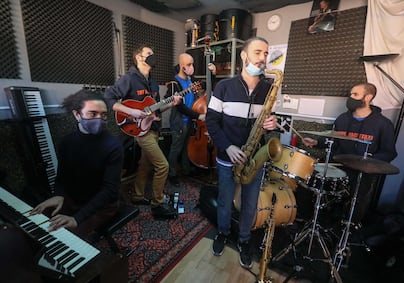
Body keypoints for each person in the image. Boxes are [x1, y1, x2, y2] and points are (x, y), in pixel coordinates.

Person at [206, 37, 279, 269]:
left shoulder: (269, 89)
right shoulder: (224, 87)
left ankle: (244, 240)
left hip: (254, 158)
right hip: (228, 157)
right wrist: (227, 146)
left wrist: (272, 124)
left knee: (250, 204)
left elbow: (270, 122)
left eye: (266, 53)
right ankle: (223, 233)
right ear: (244, 55)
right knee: (225, 201)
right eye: (258, 52)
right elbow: (211, 121)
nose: (263, 58)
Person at [30, 89, 124, 238]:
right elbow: (62, 175)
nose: (99, 119)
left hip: (103, 205)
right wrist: (59, 195)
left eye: (103, 115)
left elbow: (110, 190)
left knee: (63, 237)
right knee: (37, 223)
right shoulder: (67, 142)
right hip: (73, 198)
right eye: (92, 114)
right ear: (77, 115)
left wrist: (77, 218)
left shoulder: (113, 146)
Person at [303, 82, 397, 224]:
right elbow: (334, 140)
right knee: (308, 174)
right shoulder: (342, 119)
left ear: (368, 97)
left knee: (357, 201)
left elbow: (389, 152)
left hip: (363, 170)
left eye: (355, 94)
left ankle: (349, 226)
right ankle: (316, 220)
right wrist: (317, 143)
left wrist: (369, 163)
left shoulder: (383, 124)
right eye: (350, 94)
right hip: (339, 163)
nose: (351, 97)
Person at [104, 44, 180, 218]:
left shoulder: (153, 83)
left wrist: (171, 103)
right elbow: (108, 98)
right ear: (139, 57)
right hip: (139, 130)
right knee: (163, 166)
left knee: (145, 164)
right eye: (149, 54)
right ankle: (158, 204)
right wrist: (131, 111)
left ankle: (138, 196)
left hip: (153, 128)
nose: (153, 56)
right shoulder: (129, 79)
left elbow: (156, 110)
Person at [166, 53, 216, 186]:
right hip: (179, 122)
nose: (191, 67)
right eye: (188, 65)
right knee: (175, 149)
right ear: (182, 66)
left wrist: (213, 74)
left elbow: (206, 85)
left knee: (186, 147)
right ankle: (172, 174)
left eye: (192, 64)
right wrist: (198, 116)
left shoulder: (191, 80)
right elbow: (180, 107)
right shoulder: (174, 84)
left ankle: (186, 170)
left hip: (190, 122)